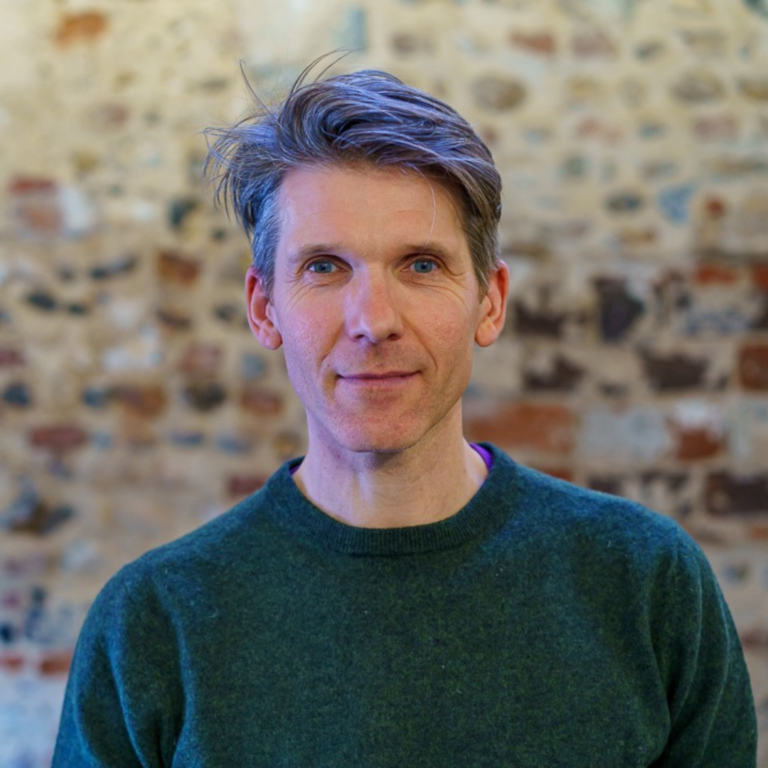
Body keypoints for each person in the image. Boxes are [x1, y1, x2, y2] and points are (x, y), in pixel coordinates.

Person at [53, 59, 757, 767]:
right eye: (324, 267)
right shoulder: (154, 621)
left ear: (490, 301)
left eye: (420, 265)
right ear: (264, 308)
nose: (374, 320)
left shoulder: (644, 585)